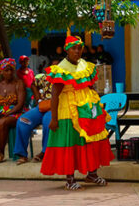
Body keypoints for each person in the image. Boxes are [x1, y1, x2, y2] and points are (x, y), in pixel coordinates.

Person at [41, 35, 112, 190]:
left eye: (79, 48)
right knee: (71, 142)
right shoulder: (62, 68)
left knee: (91, 140)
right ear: (67, 50)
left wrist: (98, 105)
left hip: (87, 108)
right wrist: (54, 118)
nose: (77, 51)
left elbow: (90, 86)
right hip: (68, 110)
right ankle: (70, 179)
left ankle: (92, 174)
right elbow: (55, 95)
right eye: (74, 48)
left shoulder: (85, 65)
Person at [14, 73, 52, 165]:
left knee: (48, 122)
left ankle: (44, 152)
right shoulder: (45, 77)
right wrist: (38, 99)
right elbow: (33, 84)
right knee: (23, 120)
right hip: (42, 106)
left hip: (56, 108)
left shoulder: (67, 77)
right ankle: (22, 154)